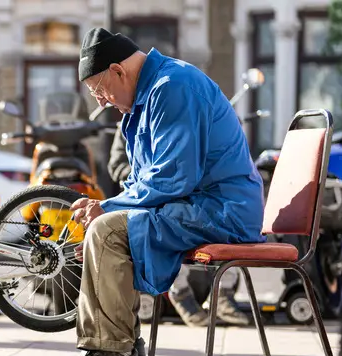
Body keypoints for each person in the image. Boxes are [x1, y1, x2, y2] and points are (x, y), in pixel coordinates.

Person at [68, 28, 264, 356]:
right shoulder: (151, 92)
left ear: (118, 71)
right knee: (107, 226)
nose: (100, 102)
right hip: (201, 205)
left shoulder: (173, 87)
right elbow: (145, 177)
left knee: (108, 231)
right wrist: (110, 204)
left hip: (222, 210)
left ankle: (114, 352)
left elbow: (174, 176)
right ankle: (121, 348)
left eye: (99, 91)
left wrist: (109, 206)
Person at [108, 128, 252, 328]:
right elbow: (117, 165)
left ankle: (223, 293)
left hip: (201, 196)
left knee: (217, 218)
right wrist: (142, 176)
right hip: (151, 193)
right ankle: (180, 292)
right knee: (165, 227)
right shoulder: (130, 122)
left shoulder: (195, 115)